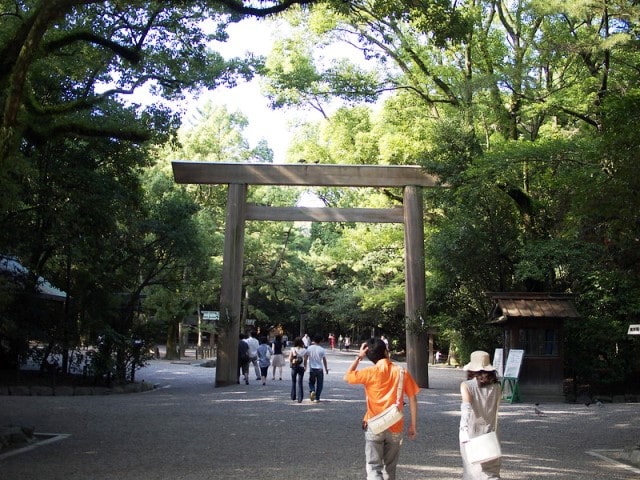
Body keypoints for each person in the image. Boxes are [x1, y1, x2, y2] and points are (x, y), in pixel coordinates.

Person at [344, 338, 419, 480]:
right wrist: (413, 425)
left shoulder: (369, 372)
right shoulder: (401, 372)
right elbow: (413, 399)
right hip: (395, 425)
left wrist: (359, 358)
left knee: (373, 467)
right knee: (389, 469)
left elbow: (347, 377)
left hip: (374, 424)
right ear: (386, 352)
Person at [459, 351, 502, 480]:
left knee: (472, 471)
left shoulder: (466, 386)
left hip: (472, 432)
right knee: (491, 473)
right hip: (492, 432)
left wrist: (463, 430)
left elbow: (466, 409)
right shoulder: (497, 387)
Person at [306, 334, 329, 402]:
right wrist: (326, 369)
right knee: (320, 384)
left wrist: (305, 365)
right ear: (320, 341)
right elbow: (324, 360)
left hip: (312, 368)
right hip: (320, 369)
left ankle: (312, 390)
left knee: (311, 382)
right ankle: (317, 398)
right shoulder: (322, 349)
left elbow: (305, 357)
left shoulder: (309, 348)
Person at [288, 337, 307, 403]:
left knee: (293, 382)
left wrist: (293, 359)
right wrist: (305, 366)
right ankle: (300, 398)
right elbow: (305, 360)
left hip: (294, 366)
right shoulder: (304, 350)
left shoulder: (293, 349)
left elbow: (290, 358)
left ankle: (293, 396)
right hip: (301, 367)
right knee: (300, 382)